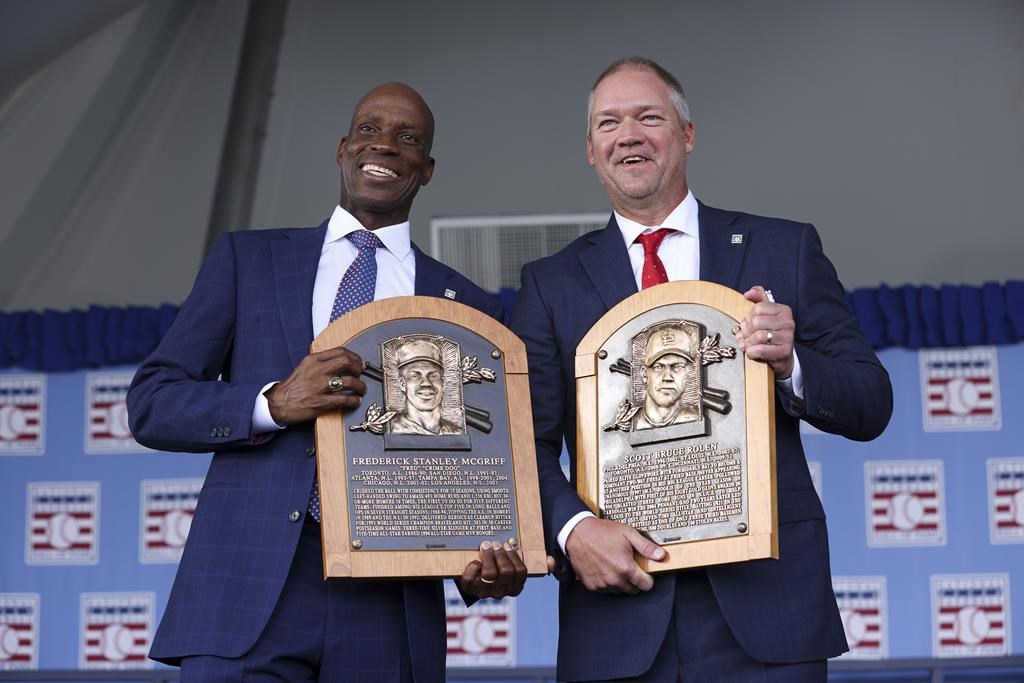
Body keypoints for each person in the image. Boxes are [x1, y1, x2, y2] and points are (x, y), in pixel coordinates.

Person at [509, 57, 893, 682]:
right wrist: (573, 529)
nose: (627, 135)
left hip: (767, 610)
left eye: (648, 117)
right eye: (609, 122)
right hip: (618, 619)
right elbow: (524, 442)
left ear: (686, 134)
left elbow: (871, 402)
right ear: (590, 149)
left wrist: (792, 362)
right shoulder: (549, 284)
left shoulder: (782, 248)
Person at [128, 82, 527, 681]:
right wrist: (272, 403)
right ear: (343, 148)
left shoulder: (464, 307)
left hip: (389, 603)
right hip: (249, 591)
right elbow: (153, 402)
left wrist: (484, 554)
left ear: (427, 168)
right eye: (369, 130)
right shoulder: (249, 260)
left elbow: (478, 463)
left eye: (408, 138)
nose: (385, 146)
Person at [390, 337, 462, 435]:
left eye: (433, 376)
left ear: (443, 383)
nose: (426, 383)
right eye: (415, 376)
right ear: (402, 384)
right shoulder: (392, 429)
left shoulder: (457, 432)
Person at [635, 323, 698, 429]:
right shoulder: (628, 422)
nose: (667, 377)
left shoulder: (695, 417)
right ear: (644, 374)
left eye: (677, 367)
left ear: (688, 373)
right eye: (658, 367)